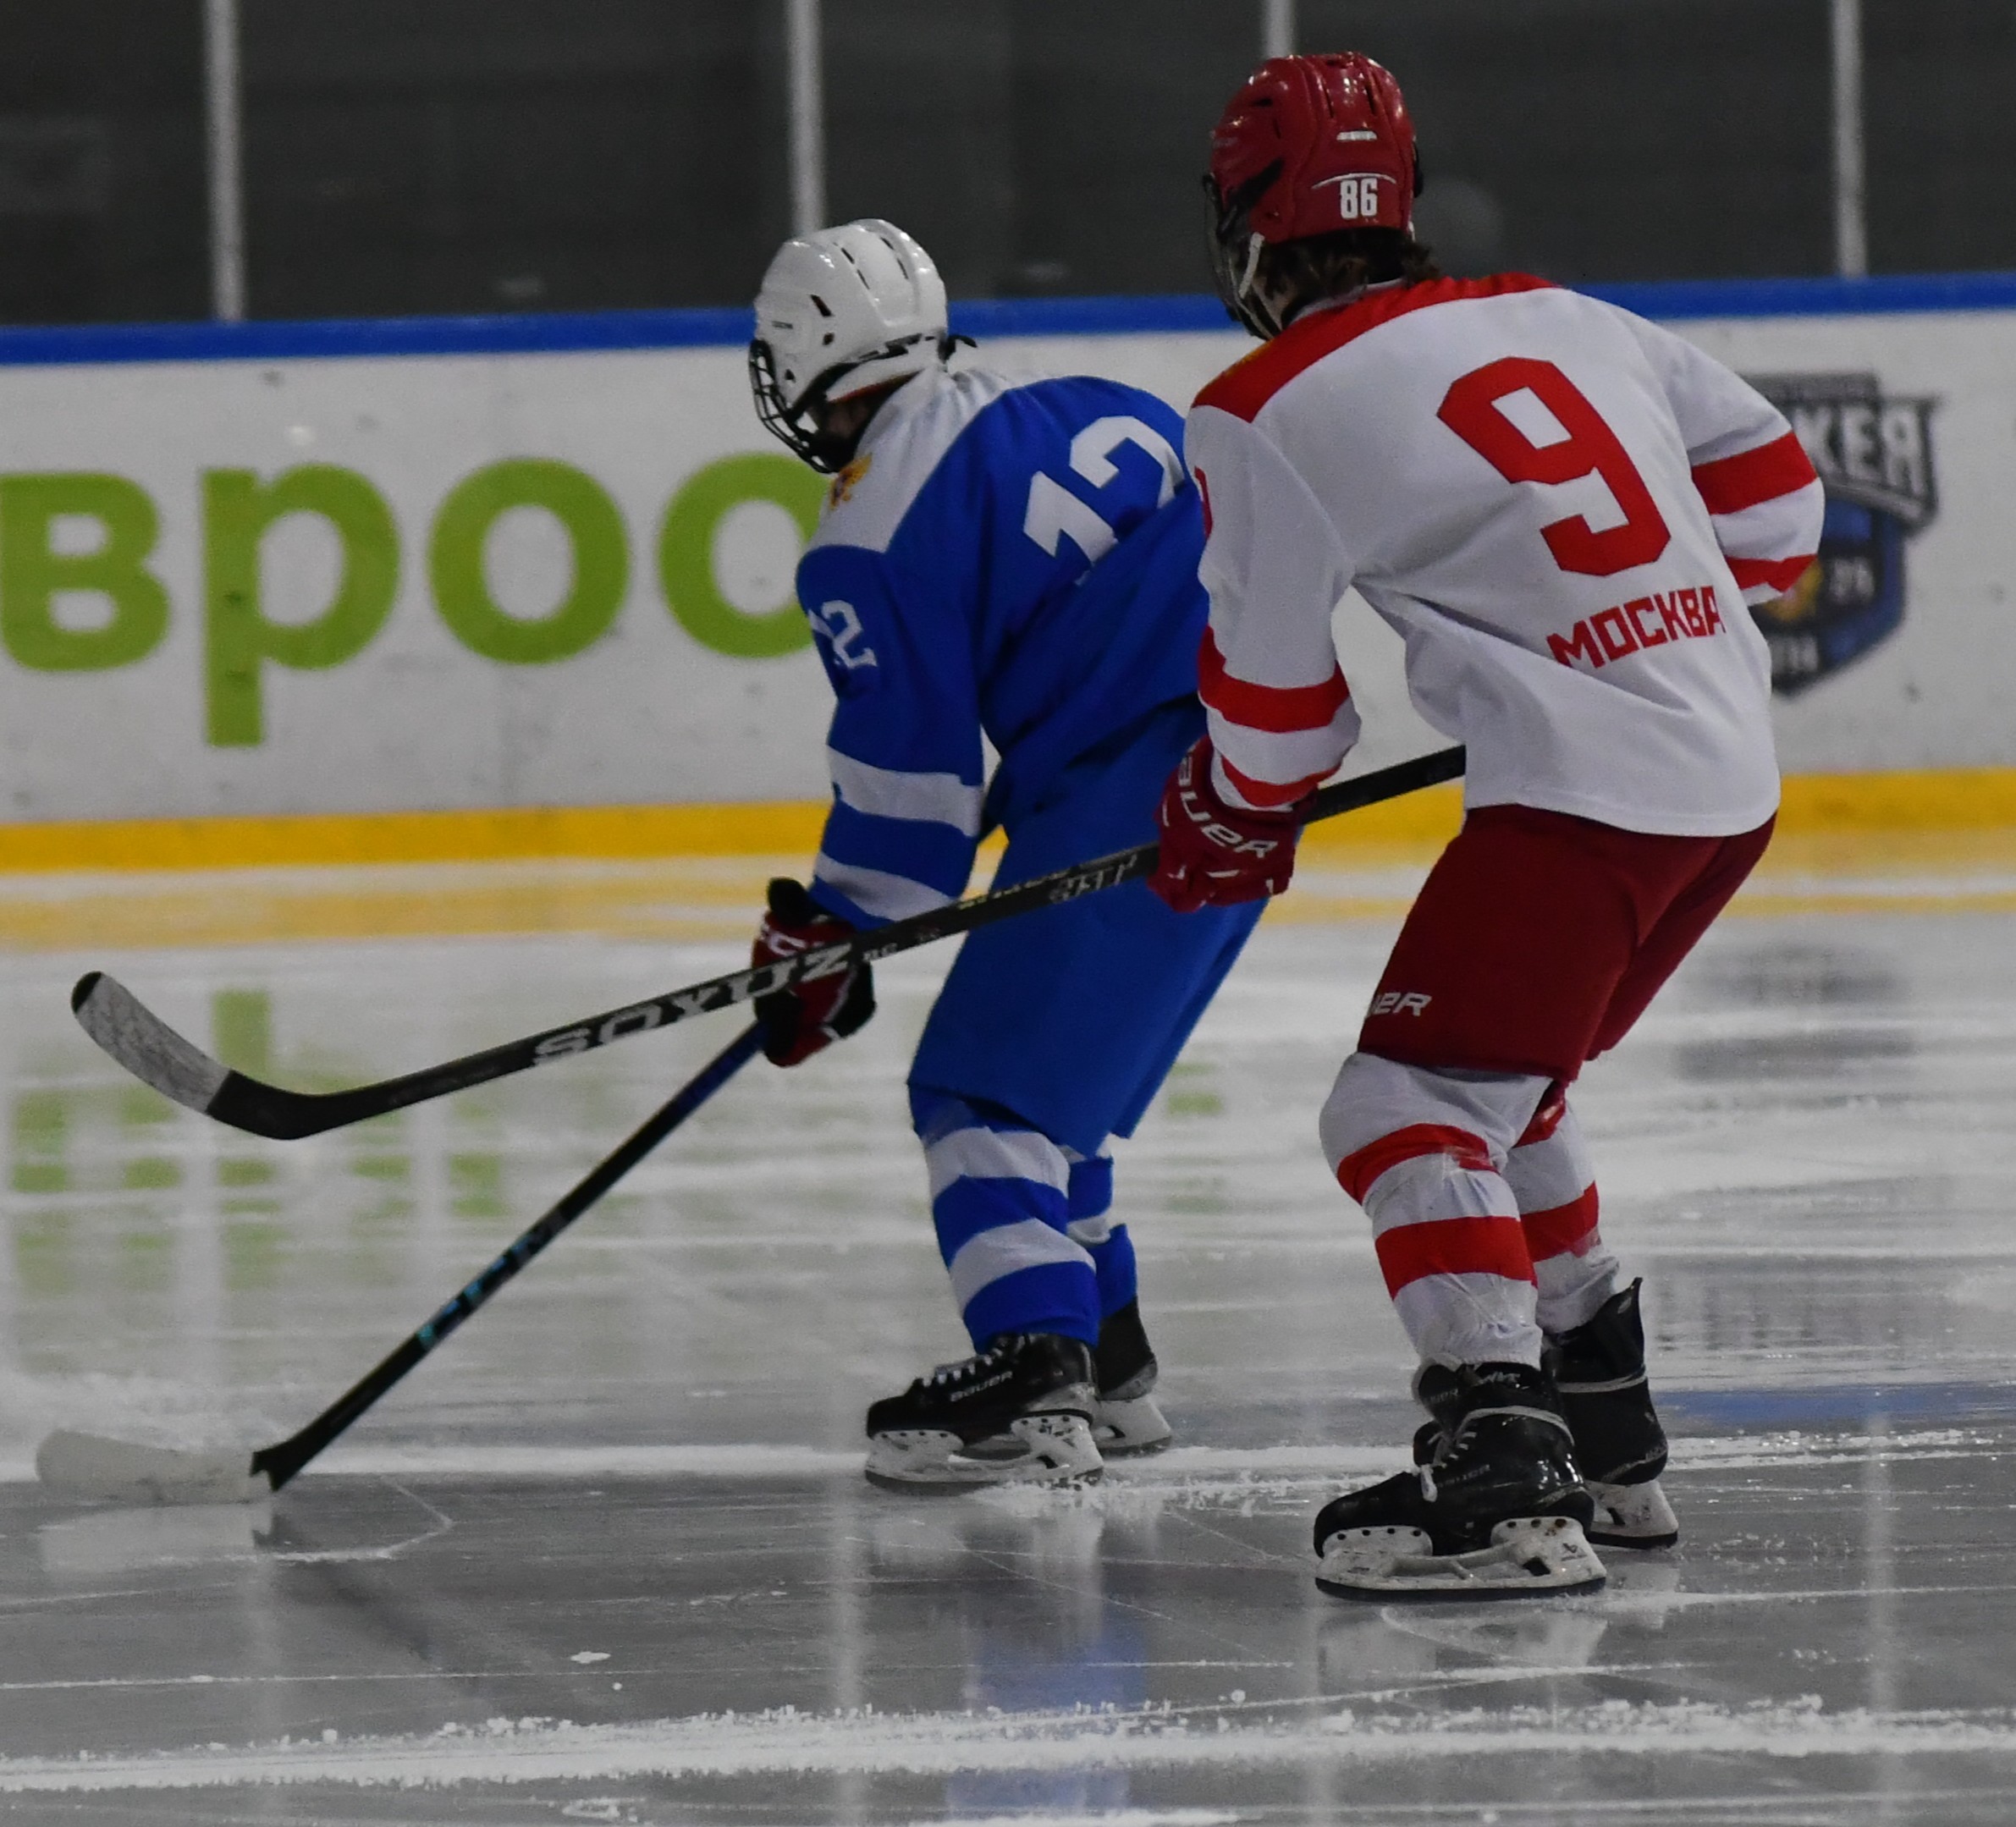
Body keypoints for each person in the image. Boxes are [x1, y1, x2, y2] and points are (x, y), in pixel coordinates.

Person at [1148, 55, 1822, 1594]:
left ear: (1249, 225)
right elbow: (1779, 506)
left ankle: (1501, 1465)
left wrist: (1225, 814)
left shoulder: (1258, 407)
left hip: (1587, 805)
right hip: (1725, 785)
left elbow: (1280, 722)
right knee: (1504, 1085)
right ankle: (1605, 1422)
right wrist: (1628, 636)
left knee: (1400, 1110)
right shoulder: (1568, 316)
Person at [746, 218, 1265, 1488]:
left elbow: (914, 799)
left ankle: (1035, 1370)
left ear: (803, 360)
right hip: (1249, 776)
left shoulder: (865, 529)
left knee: (980, 1103)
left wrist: (833, 928)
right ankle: (1113, 1364)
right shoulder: (1090, 397)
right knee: (1054, 1104)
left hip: (1124, 794)